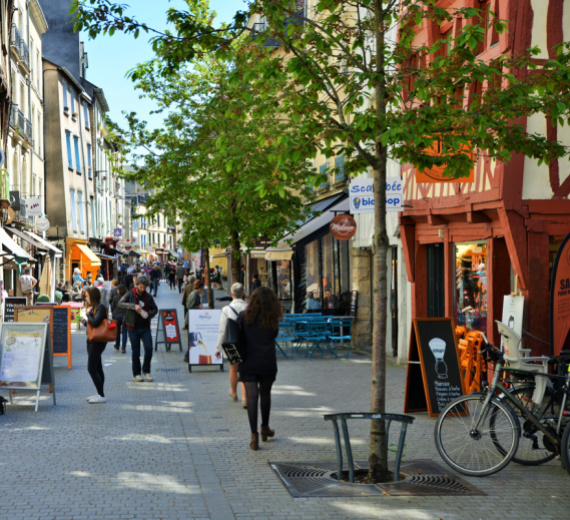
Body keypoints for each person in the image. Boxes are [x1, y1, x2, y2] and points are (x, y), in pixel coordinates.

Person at [237, 287, 282, 450]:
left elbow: (239, 337)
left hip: (248, 361)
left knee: (251, 397)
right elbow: (273, 335)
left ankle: (253, 436)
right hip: (267, 361)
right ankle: (265, 427)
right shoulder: (272, 319)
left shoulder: (244, 316)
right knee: (265, 394)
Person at [118, 275, 158, 382]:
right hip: (132, 327)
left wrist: (148, 314)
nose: (143, 289)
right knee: (136, 352)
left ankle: (146, 371)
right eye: (141, 287)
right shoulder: (130, 294)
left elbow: (155, 309)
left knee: (149, 349)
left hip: (145, 328)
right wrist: (133, 306)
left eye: (144, 287)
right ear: (136, 286)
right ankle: (136, 374)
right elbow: (120, 304)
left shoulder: (148, 296)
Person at [215, 283, 248, 406]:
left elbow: (222, 330)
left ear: (232, 294)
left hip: (231, 343)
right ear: (243, 293)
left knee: (233, 368)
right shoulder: (249, 307)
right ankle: (245, 398)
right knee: (244, 370)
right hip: (246, 343)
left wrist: (218, 348)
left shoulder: (226, 310)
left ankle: (234, 392)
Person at [81, 287, 109, 404]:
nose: (86, 298)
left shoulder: (101, 307)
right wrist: (85, 322)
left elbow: (96, 322)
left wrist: (88, 315)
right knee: (97, 367)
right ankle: (99, 393)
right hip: (91, 339)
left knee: (91, 368)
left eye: (87, 296)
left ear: (92, 296)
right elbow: (92, 324)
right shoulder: (95, 307)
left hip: (98, 341)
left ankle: (101, 395)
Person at [183, 280, 204, 362]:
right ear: (201, 288)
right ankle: (187, 356)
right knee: (192, 338)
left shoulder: (195, 293)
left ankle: (189, 355)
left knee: (193, 338)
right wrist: (199, 307)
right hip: (191, 320)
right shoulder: (194, 294)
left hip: (192, 319)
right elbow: (189, 306)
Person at [111, 285, 128, 353]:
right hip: (124, 316)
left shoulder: (115, 298)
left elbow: (113, 307)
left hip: (116, 316)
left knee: (117, 331)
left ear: (119, 291)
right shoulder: (127, 298)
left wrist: (113, 314)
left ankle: (117, 345)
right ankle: (123, 347)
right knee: (124, 332)